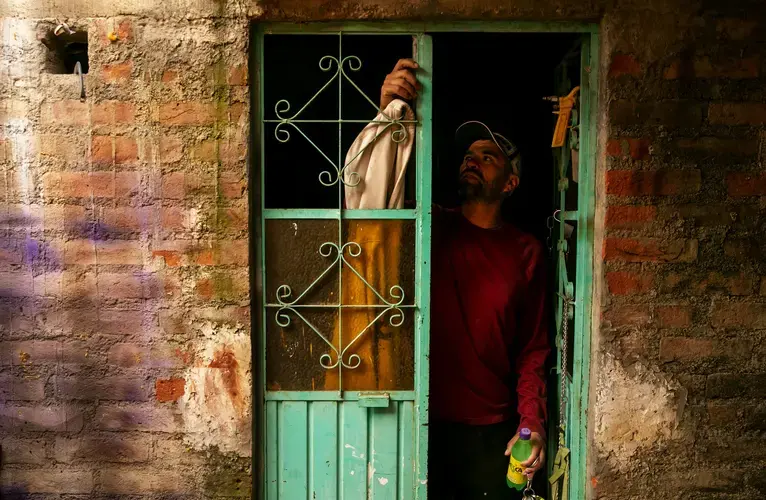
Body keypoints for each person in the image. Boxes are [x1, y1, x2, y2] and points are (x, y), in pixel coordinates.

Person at [380, 59, 550, 499]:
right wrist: (387, 118)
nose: (472, 160)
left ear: (510, 183)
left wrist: (531, 419)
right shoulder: (428, 226)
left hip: (490, 433)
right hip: (418, 421)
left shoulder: (526, 251)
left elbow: (533, 348)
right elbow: (375, 199)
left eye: (487, 156)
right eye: (468, 155)